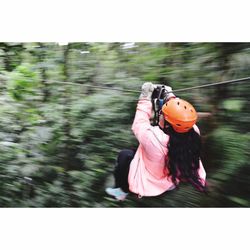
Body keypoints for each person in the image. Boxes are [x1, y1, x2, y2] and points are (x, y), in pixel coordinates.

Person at [105, 82, 207, 201]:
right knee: (136, 152)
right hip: (172, 177)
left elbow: (139, 124)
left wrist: (144, 97)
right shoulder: (193, 132)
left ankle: (121, 190)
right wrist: (170, 95)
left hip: (152, 180)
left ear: (168, 124)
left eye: (163, 114)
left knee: (124, 155)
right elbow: (180, 115)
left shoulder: (154, 139)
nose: (161, 115)